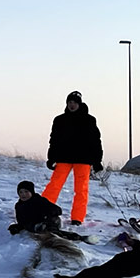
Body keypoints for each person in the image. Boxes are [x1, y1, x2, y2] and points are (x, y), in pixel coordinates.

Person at [42, 90, 102, 225]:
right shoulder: (59, 120)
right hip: (63, 158)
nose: (72, 105)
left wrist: (97, 160)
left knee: (81, 190)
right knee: (54, 185)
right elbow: (54, 140)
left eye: (74, 102)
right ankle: (43, 210)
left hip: (83, 159)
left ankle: (77, 218)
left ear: (79, 104)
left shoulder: (89, 120)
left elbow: (95, 141)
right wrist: (51, 157)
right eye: (70, 102)